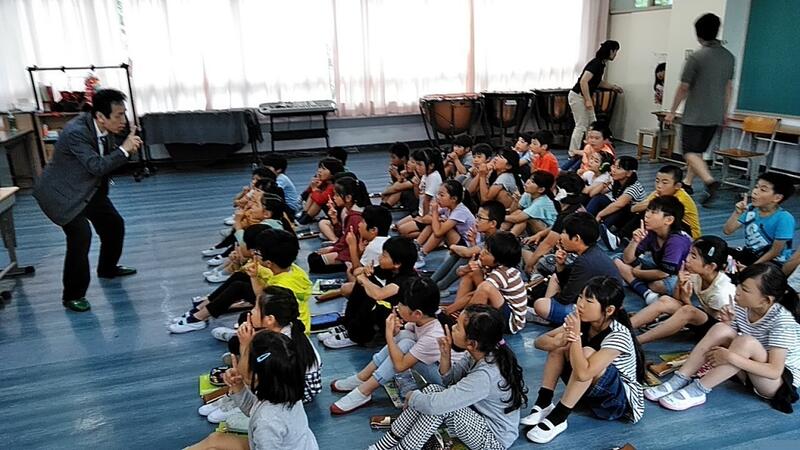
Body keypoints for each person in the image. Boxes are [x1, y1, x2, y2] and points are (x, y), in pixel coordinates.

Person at [33, 89, 142, 312]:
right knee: (81, 236)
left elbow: (108, 162)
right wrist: (124, 149)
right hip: (61, 195)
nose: (123, 120)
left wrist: (125, 148)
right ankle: (72, 295)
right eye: (119, 115)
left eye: (124, 113)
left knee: (113, 224)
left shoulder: (106, 127)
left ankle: (107, 269)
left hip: (89, 189)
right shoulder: (76, 132)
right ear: (100, 116)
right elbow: (97, 166)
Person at [645, 263, 800, 414]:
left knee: (746, 342)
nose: (737, 291)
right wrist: (727, 322)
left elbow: (774, 371)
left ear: (766, 300)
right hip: (748, 367)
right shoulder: (743, 305)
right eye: (740, 285)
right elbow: (731, 336)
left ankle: (698, 390)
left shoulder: (782, 322)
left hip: (777, 383)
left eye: (745, 289)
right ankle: (680, 378)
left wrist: (730, 357)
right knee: (721, 328)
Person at [369, 305, 527, 450]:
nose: (452, 327)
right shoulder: (478, 353)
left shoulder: (485, 375)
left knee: (441, 406)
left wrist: (412, 397)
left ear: (472, 343)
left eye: (457, 327)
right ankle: (384, 445)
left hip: (493, 440)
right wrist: (445, 356)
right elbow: (450, 382)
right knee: (434, 391)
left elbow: (436, 406)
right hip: (478, 418)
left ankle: (404, 448)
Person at [524, 277, 645, 443]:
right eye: (580, 297)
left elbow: (583, 373)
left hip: (619, 404)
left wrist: (574, 337)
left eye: (589, 301)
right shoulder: (582, 319)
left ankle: (559, 417)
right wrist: (559, 341)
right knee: (560, 345)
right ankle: (544, 402)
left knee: (586, 352)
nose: (580, 304)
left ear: (609, 310)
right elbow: (539, 342)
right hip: (591, 392)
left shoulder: (619, 335)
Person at [186, 331, 319, 450]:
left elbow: (262, 417)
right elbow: (253, 409)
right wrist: (238, 386)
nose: (239, 357)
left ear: (254, 376)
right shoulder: (285, 389)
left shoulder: (266, 423)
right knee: (215, 439)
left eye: (243, 354)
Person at [330, 277, 444, 414]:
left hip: (444, 380)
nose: (397, 306)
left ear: (417, 313)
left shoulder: (433, 335)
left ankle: (365, 390)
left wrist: (388, 334)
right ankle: (362, 377)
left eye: (401, 303)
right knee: (404, 336)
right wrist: (395, 331)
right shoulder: (425, 318)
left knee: (407, 343)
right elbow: (402, 336)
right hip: (432, 366)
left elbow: (400, 366)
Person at [664, 13, 735, 204]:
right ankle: (687, 182)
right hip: (715, 114)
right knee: (698, 152)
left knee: (689, 152)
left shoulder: (696, 57)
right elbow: (729, 87)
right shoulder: (729, 57)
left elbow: (684, 87)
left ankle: (710, 181)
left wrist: (672, 111)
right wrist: (725, 112)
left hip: (695, 115)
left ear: (698, 34)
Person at [630, 236, 735, 345]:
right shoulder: (698, 275)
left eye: (693, 256)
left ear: (710, 267)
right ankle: (624, 328)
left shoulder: (721, 293)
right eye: (689, 253)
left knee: (688, 311)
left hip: (721, 334)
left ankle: (635, 342)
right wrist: (679, 284)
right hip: (705, 320)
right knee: (666, 300)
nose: (687, 259)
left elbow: (720, 328)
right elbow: (677, 300)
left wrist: (686, 300)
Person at [531, 212, 622, 326]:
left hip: (600, 315)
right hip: (598, 302)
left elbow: (566, 298)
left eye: (564, 232)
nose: (561, 236)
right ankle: (549, 312)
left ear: (576, 238)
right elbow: (567, 281)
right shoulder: (592, 251)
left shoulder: (585, 262)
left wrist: (551, 300)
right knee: (555, 278)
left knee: (540, 305)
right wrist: (560, 265)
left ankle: (549, 315)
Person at [615, 196, 692, 305]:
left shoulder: (677, 240)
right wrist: (634, 241)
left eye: (654, 212)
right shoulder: (652, 232)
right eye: (648, 210)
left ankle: (636, 283)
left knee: (656, 285)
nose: (647, 215)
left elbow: (663, 273)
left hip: (680, 275)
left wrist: (637, 273)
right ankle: (646, 292)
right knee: (617, 259)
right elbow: (627, 259)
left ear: (669, 220)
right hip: (660, 268)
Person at [723, 172, 796, 266]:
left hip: (772, 262)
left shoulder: (785, 218)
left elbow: (775, 251)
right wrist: (737, 213)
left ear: (777, 198)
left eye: (763, 190)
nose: (755, 192)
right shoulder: (751, 209)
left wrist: (751, 268)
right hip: (751, 255)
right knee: (714, 245)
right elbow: (727, 230)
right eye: (756, 187)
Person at [568, 40, 623, 154]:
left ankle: (591, 151)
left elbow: (597, 82)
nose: (615, 55)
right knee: (581, 125)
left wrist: (613, 87)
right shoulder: (596, 63)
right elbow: (584, 81)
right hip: (578, 96)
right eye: (615, 52)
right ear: (611, 51)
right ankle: (572, 153)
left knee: (593, 124)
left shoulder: (601, 64)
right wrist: (588, 100)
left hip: (583, 96)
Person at [414, 180, 476, 269]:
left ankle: (422, 254)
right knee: (435, 222)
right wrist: (437, 218)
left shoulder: (460, 211)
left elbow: (438, 232)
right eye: (438, 194)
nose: (438, 198)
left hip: (468, 246)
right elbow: (425, 219)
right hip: (457, 240)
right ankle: (416, 246)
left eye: (442, 195)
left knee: (443, 228)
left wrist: (435, 212)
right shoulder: (448, 207)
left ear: (454, 199)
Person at [261, 154, 302, 219]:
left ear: (279, 169)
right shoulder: (272, 178)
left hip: (290, 209)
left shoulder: (281, 179)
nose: (264, 170)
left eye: (268, 168)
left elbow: (271, 193)